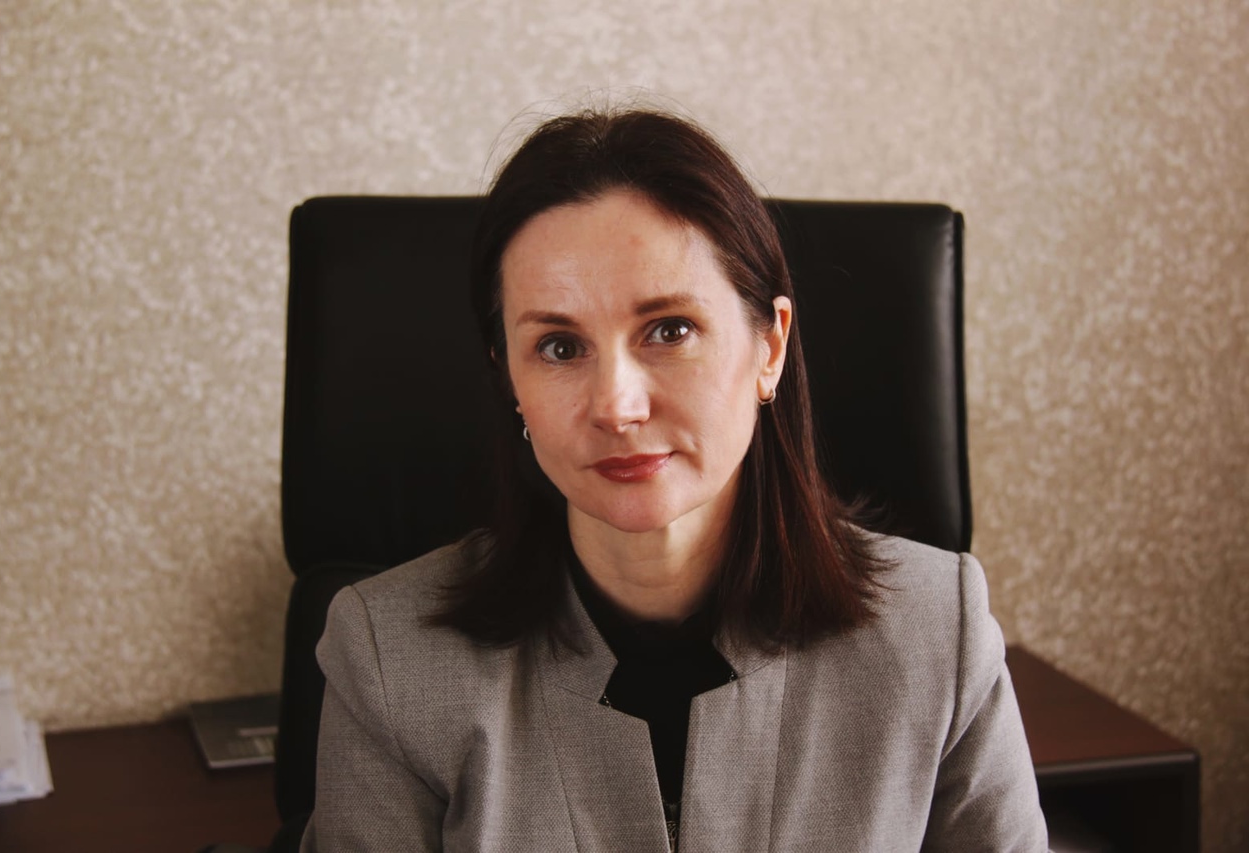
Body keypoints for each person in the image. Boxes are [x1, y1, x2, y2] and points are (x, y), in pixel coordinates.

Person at [301, 107, 1049, 852]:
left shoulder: (935, 633)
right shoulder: (389, 660)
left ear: (769, 348)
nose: (617, 406)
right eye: (559, 347)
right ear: (510, 382)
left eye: (669, 330)